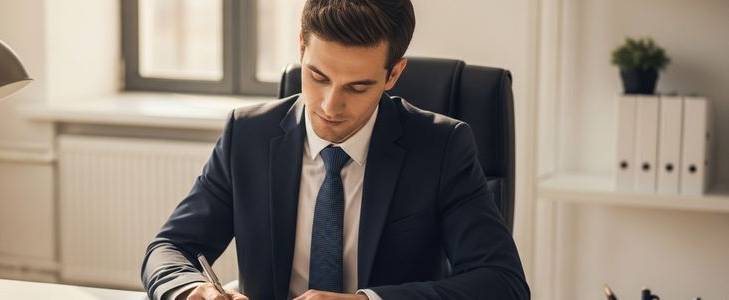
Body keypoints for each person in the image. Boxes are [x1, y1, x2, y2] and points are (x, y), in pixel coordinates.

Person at [141, 0, 530, 299]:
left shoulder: (442, 147)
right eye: (318, 76)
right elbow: (170, 248)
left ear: (393, 74)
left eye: (357, 87)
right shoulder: (248, 135)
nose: (330, 106)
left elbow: (502, 281)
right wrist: (193, 289)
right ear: (301, 48)